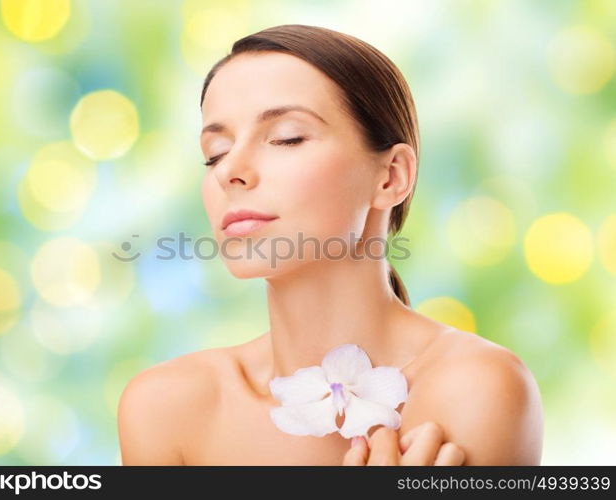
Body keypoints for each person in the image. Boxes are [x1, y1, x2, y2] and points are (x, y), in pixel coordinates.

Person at [118, 24, 543, 465]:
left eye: (288, 137)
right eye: (216, 152)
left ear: (391, 176)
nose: (230, 172)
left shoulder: (476, 388)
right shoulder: (166, 408)